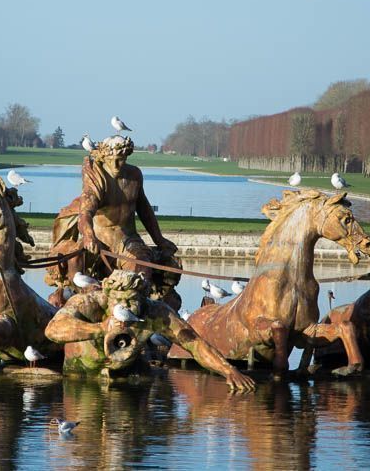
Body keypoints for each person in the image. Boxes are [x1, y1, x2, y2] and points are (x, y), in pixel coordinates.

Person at [45, 270, 255, 393]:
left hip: (128, 381)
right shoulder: (88, 303)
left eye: (132, 301)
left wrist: (228, 370)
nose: (125, 306)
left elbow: (194, 343)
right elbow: (53, 330)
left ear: (143, 297)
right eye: (120, 301)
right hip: (82, 378)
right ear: (107, 295)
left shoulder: (155, 312)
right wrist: (100, 328)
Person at [79, 135, 176, 282]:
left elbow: (144, 209)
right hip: (99, 241)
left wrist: (159, 240)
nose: (117, 165)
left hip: (129, 240)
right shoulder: (98, 178)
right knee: (76, 264)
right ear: (104, 157)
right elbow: (86, 212)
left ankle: (140, 299)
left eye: (121, 160)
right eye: (112, 161)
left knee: (142, 267)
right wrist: (88, 236)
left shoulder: (134, 175)